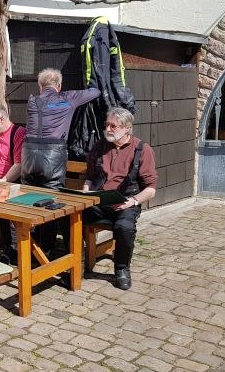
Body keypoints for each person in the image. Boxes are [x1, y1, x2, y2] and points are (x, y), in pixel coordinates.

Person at [21, 68, 100, 251]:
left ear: (40, 86)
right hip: (52, 156)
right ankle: (47, 251)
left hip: (28, 157)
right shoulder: (67, 98)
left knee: (31, 202)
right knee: (50, 205)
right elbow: (95, 92)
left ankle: (33, 250)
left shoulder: (32, 101)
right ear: (59, 85)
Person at [82, 107, 157, 291]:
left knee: (124, 227)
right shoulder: (99, 146)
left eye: (113, 126)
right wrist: (85, 194)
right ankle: (75, 260)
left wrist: (133, 201)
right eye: (106, 125)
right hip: (98, 202)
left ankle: (122, 268)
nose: (107, 129)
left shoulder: (142, 149)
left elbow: (151, 189)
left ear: (127, 128)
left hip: (126, 203)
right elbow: (90, 177)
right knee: (67, 215)